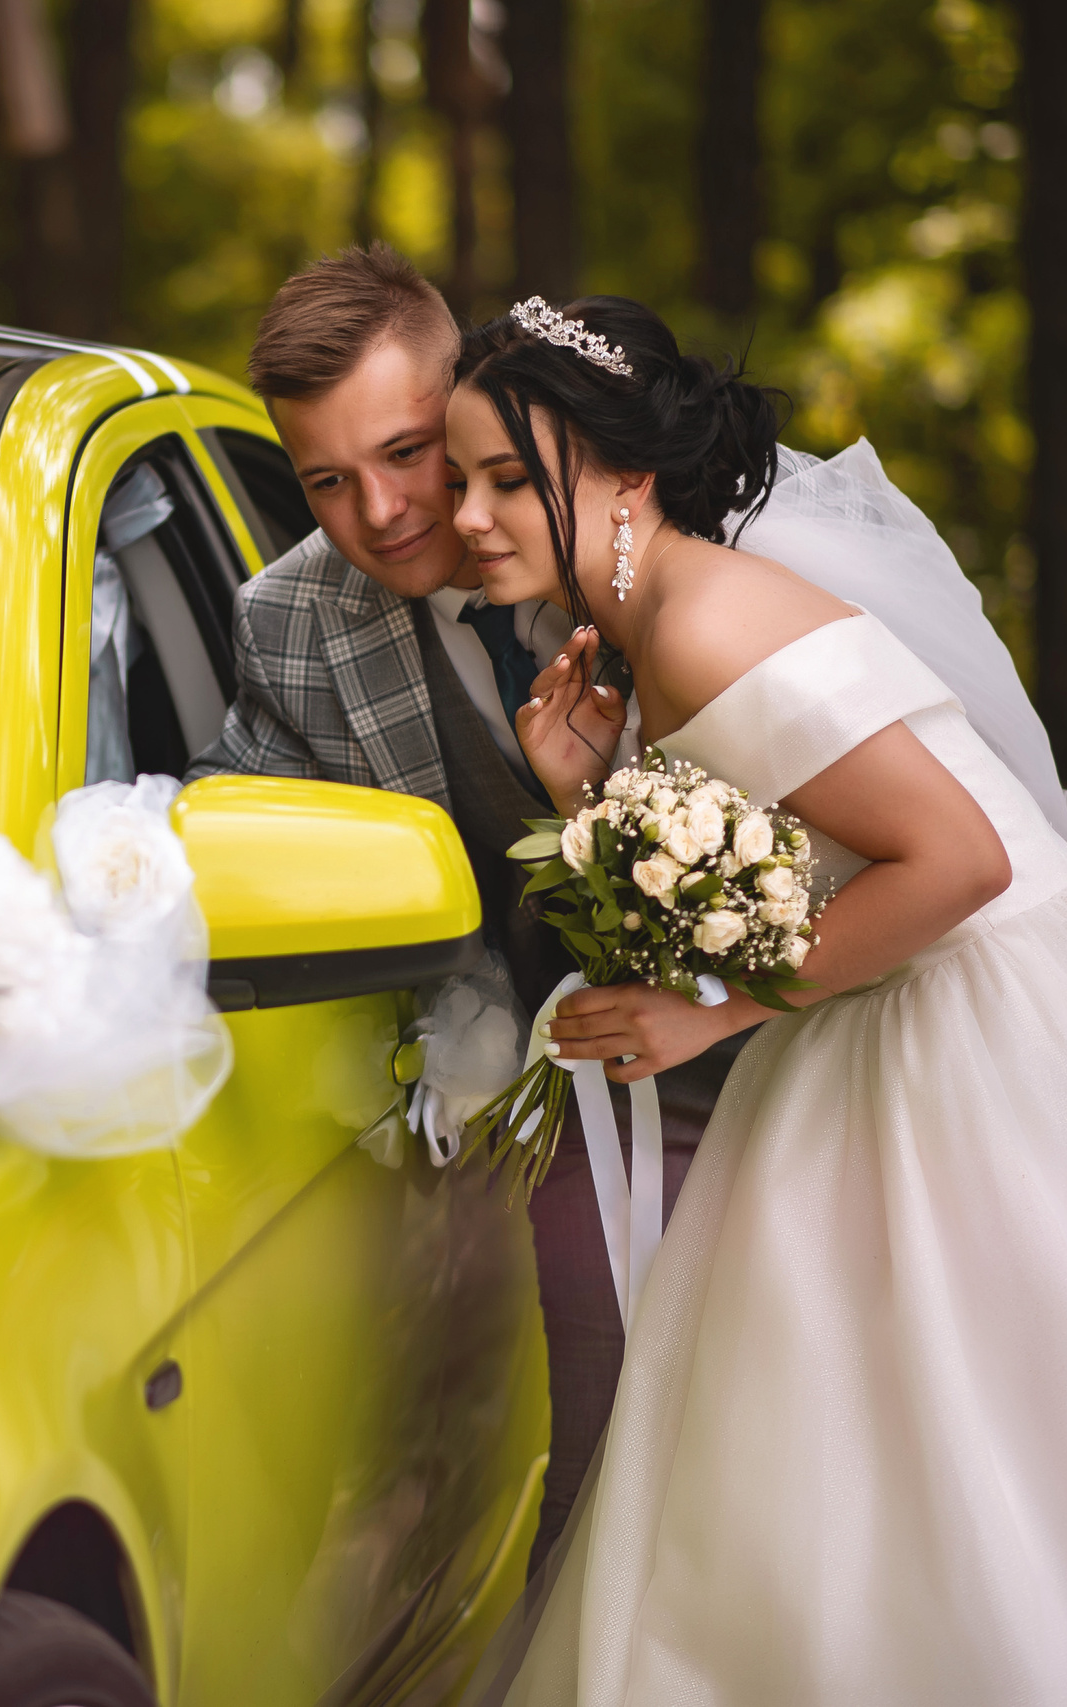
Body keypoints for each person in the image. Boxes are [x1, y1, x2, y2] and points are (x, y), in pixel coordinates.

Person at [445, 293, 1067, 1704]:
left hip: (984, 1011)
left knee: (1038, 1424)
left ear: (624, 475)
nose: (466, 515)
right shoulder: (653, 627)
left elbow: (959, 857)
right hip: (887, 998)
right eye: (459, 478)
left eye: (508, 477)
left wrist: (714, 1010)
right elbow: (768, 860)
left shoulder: (700, 625)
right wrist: (589, 790)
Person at [186, 243, 712, 1572]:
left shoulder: (635, 546)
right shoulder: (292, 620)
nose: (382, 511)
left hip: (733, 1022)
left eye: (408, 450)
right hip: (539, 1085)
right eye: (325, 481)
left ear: (472, 396)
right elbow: (237, 822)